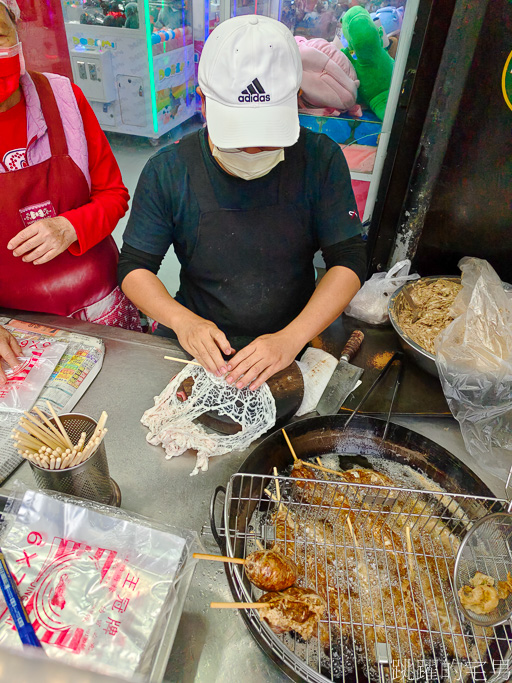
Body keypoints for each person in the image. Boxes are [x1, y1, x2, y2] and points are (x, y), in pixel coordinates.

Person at [119, 15, 366, 392]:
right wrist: (184, 322)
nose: (252, 151)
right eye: (237, 138)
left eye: (267, 138)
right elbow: (135, 268)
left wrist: (291, 337)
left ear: (296, 99)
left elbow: (349, 259)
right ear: (203, 104)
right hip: (199, 343)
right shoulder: (168, 171)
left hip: (296, 336)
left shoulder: (321, 160)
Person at [0, 0, 141, 383]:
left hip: (99, 308)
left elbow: (114, 194)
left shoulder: (64, 100)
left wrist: (69, 227)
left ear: (17, 27)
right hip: (17, 332)